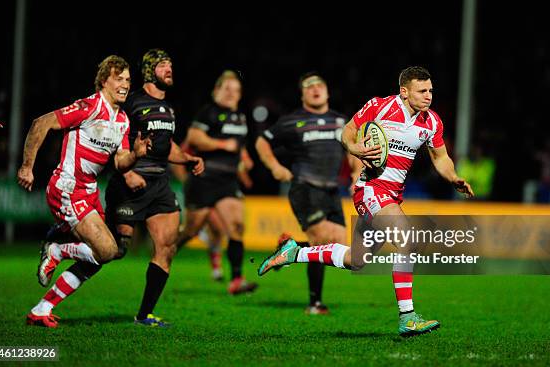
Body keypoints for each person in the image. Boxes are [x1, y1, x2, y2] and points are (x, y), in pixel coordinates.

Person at [258, 66, 474, 336]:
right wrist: (355, 147)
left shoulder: (431, 122)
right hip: (371, 189)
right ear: (404, 92)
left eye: (431, 90)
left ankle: (293, 253)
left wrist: (453, 177)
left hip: (393, 194)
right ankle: (407, 316)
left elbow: (440, 158)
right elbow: (347, 132)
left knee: (356, 260)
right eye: (422, 90)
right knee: (407, 238)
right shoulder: (380, 107)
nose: (429, 95)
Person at [17, 55, 151, 328]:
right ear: (104, 81)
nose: (125, 84)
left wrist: (136, 155)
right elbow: (40, 124)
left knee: (100, 258)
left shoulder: (122, 120)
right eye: (119, 78)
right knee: (106, 250)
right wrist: (26, 167)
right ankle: (56, 251)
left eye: (128, 79)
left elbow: (120, 160)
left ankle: (42, 308)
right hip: (67, 188)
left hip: (88, 193)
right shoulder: (89, 107)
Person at [103, 49, 204, 327]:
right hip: (130, 183)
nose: (169, 69)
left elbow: (166, 144)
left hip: (159, 184)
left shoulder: (168, 108)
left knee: (167, 246)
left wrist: (188, 158)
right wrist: (129, 173)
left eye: (171, 64)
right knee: (115, 249)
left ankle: (144, 315)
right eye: (162, 65)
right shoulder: (131, 102)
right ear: (149, 71)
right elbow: (113, 140)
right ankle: (63, 245)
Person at [255, 71, 361, 314]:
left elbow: (352, 150)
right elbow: (262, 141)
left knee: (339, 248)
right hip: (305, 187)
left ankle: (290, 250)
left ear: (327, 91)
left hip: (331, 190)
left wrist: (356, 175)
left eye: (319, 85)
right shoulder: (292, 121)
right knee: (321, 241)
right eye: (309, 86)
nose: (315, 89)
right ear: (302, 94)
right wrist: (275, 167)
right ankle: (315, 303)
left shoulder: (340, 121)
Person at [176, 70, 257, 295]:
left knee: (236, 227)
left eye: (236, 90)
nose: (231, 94)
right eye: (227, 89)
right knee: (192, 230)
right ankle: (165, 255)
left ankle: (237, 280)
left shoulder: (240, 117)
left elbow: (238, 145)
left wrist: (244, 158)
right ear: (216, 91)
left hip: (228, 182)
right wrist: (222, 145)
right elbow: (194, 138)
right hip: (204, 179)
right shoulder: (208, 112)